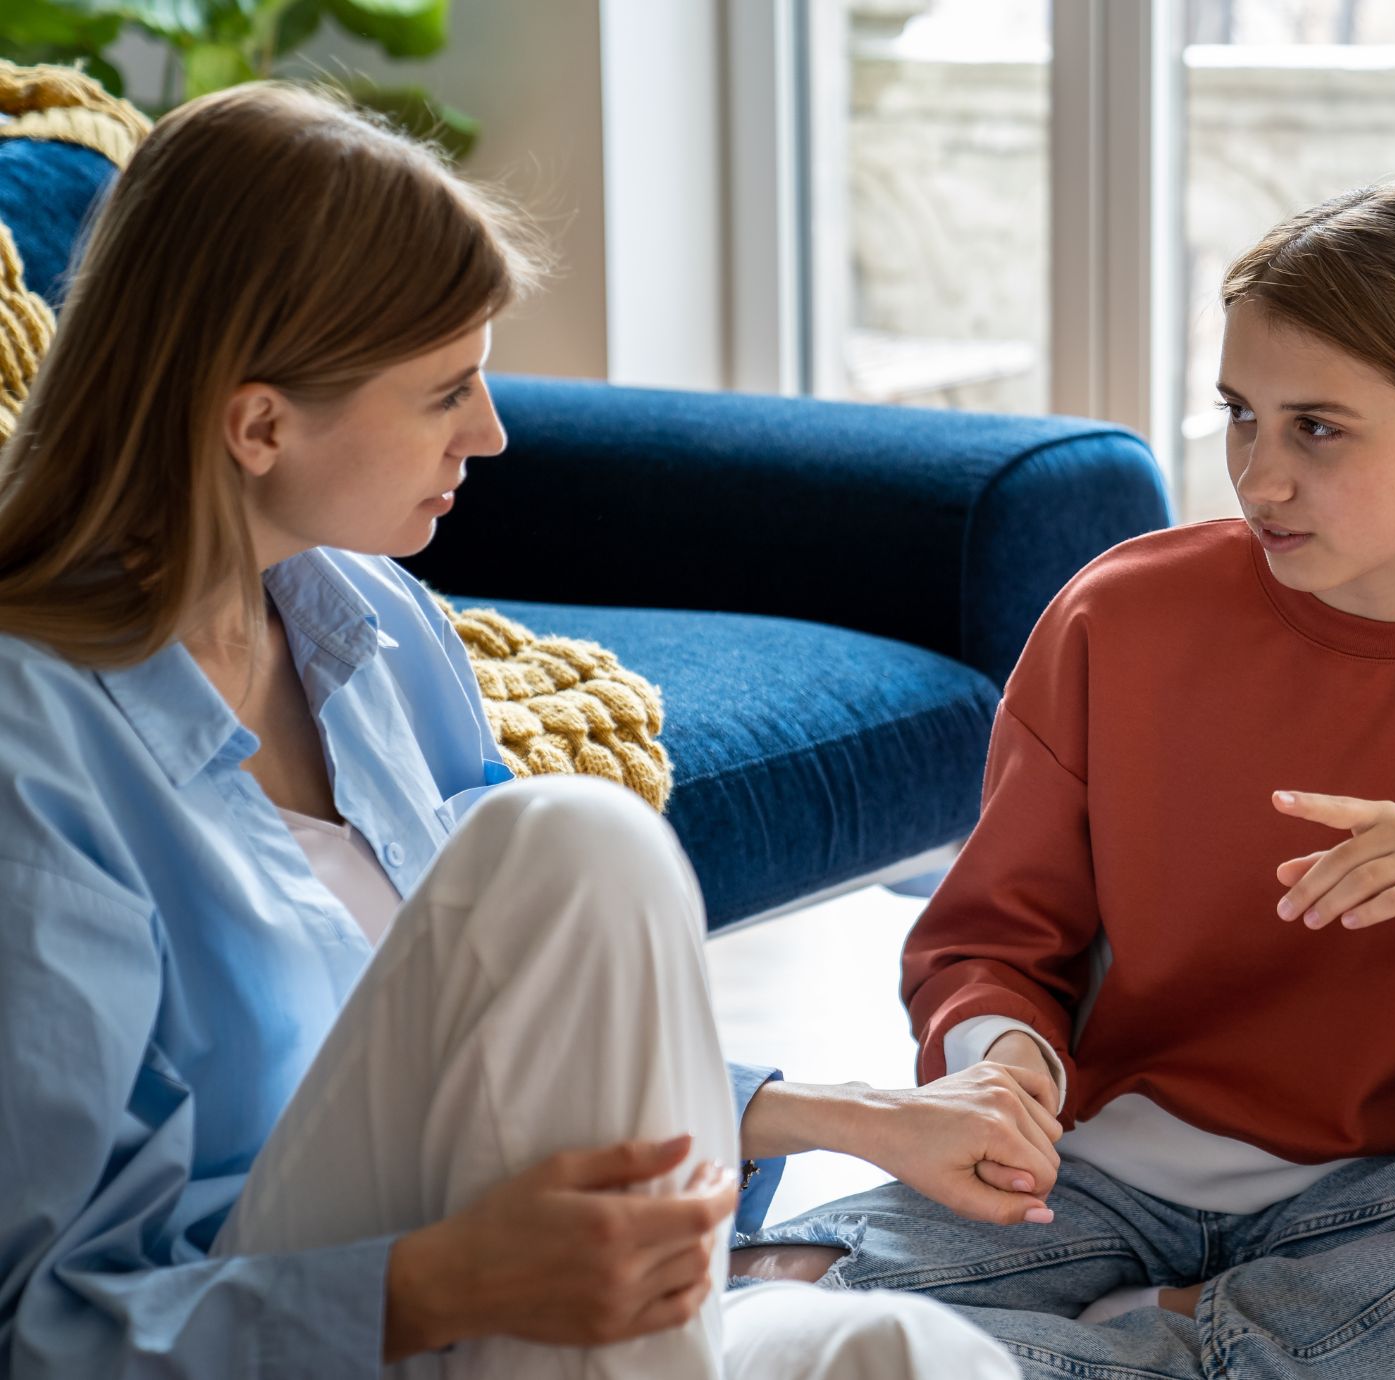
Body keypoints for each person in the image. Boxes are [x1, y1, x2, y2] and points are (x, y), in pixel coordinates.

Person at [0, 81, 1053, 1379]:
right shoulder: (31, 761)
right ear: (259, 423)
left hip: (501, 1313)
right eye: (447, 392)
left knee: (912, 1352)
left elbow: (538, 1037)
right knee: (571, 841)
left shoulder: (377, 634)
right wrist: (440, 1282)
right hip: (301, 1332)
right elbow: (36, 1331)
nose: (491, 435)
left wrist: (855, 1118)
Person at [731, 183, 1395, 1379]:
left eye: (1317, 429)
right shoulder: (1118, 616)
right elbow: (992, 939)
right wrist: (1004, 1065)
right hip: (1086, 1183)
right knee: (761, 1299)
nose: (1260, 475)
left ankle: (1163, 1344)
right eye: (1241, 415)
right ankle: (1236, 1354)